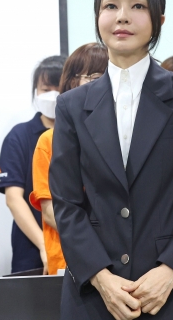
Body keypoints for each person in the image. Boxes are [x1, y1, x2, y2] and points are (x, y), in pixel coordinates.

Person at [50, 0, 173, 320]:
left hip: (171, 291)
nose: (122, 16)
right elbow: (66, 203)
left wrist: (171, 269)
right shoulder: (72, 105)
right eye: (110, 6)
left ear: (159, 19)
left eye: (137, 6)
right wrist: (101, 278)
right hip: (94, 292)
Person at [30, 42, 109, 275]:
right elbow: (50, 211)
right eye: (94, 77)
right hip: (69, 260)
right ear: (73, 82)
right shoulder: (49, 141)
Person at [0, 55, 66, 274]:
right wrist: (43, 245)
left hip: (76, 245)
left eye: (59, 88)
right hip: (31, 248)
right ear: (36, 92)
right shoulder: (20, 136)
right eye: (46, 89)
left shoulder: (84, 135)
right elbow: (14, 198)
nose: (52, 95)